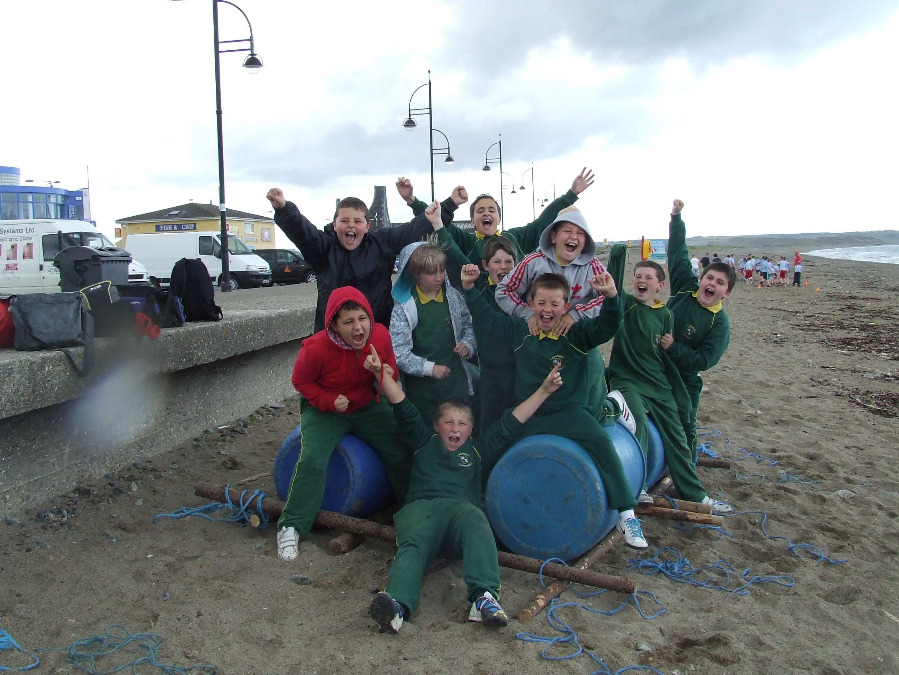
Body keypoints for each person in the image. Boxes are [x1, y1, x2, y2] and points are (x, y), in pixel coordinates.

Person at [364, 346, 563, 634]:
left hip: (460, 515)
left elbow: (512, 422)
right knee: (411, 549)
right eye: (448, 422)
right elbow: (403, 406)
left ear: (471, 429)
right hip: (422, 512)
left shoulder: (478, 450)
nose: (455, 428)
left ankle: (483, 598)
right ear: (436, 425)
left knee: (476, 519)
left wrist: (544, 391)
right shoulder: (423, 440)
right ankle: (396, 607)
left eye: (463, 423)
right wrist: (379, 373)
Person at [463, 267, 649, 549]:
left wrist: (611, 296)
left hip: (569, 413)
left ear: (566, 307)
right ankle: (477, 498)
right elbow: (487, 319)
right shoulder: (520, 331)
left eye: (554, 304)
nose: (547, 310)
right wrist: (469, 288)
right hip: (529, 413)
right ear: (530, 305)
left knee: (600, 441)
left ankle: (626, 513)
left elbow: (609, 326)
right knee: (495, 438)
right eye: (541, 303)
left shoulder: (576, 335)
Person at [276, 287, 412, 562]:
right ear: (335, 326)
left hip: (367, 404)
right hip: (326, 410)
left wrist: (383, 372)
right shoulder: (315, 348)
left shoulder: (380, 335)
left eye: (362, 318)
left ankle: (413, 510)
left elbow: (392, 369)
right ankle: (291, 525)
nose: (358, 327)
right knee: (313, 459)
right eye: (348, 322)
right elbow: (300, 382)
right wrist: (327, 400)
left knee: (400, 448)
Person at [605, 248, 733, 513]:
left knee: (678, 433)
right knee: (637, 422)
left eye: (649, 277)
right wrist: (617, 255)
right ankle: (637, 486)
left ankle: (695, 494)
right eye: (638, 276)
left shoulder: (668, 316)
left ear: (660, 285)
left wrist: (674, 370)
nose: (642, 280)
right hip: (627, 379)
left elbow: (684, 358)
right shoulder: (627, 305)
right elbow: (613, 286)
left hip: (660, 382)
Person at [266, 180, 464, 332]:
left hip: (376, 332)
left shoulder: (382, 243)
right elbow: (303, 232)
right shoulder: (323, 249)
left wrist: (451, 204)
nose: (351, 225)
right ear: (335, 225)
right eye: (344, 220)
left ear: (367, 226)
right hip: (333, 335)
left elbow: (413, 229)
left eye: (357, 221)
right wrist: (284, 209)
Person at [495, 206, 610, 413]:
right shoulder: (533, 262)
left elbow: (606, 296)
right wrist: (527, 313)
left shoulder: (593, 267)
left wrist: (576, 315)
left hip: (575, 334)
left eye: (580, 233)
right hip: (538, 331)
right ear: (554, 236)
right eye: (568, 231)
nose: (573, 237)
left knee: (593, 363)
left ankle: (597, 414)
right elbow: (505, 290)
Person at [402, 169, 595, 273]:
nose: (486, 213)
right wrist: (412, 201)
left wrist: (571, 194)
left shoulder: (514, 237)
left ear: (499, 218)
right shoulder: (468, 242)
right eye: (480, 211)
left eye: (491, 210)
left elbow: (542, 223)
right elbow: (435, 220)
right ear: (473, 221)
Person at [662, 199, 736, 462]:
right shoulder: (684, 287)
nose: (712, 284)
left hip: (685, 377)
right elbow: (678, 253)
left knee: (686, 424)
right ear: (701, 278)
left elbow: (706, 360)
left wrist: (673, 348)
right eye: (709, 278)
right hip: (654, 364)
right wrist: (676, 218)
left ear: (726, 292)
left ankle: (686, 470)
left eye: (719, 283)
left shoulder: (720, 323)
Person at [390, 208, 477, 425]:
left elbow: (469, 325)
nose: (438, 278)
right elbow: (398, 352)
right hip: (423, 390)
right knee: (428, 432)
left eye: (441, 270)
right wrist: (429, 368)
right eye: (431, 273)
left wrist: (468, 344)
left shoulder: (453, 297)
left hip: (455, 382)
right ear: (414, 273)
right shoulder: (406, 307)